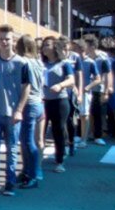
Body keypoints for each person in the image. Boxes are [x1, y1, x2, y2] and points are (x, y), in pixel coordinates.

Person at [0, 25, 30, 196]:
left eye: (8, 39)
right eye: (2, 39)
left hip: (13, 113)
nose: (5, 42)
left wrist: (19, 109)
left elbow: (26, 87)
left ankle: (10, 183)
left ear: (13, 41)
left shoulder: (22, 63)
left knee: (12, 149)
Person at [41, 37, 75, 174]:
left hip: (60, 101)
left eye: (47, 45)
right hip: (44, 101)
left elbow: (71, 80)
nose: (44, 47)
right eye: (43, 45)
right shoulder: (41, 63)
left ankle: (59, 160)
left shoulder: (64, 64)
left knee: (58, 130)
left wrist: (60, 85)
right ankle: (38, 160)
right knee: (40, 131)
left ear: (55, 47)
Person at [16, 35, 45, 189]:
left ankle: (32, 175)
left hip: (29, 102)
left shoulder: (23, 62)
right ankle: (27, 171)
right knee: (26, 140)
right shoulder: (38, 62)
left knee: (27, 141)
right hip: (38, 102)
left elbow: (23, 84)